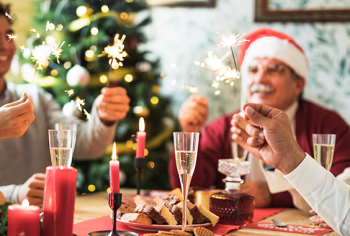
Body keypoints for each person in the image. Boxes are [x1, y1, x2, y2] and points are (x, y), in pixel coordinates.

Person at [168, 28, 350, 209]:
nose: (260, 78)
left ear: (298, 84)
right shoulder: (223, 128)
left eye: (274, 70)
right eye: (253, 70)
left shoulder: (328, 127)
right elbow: (190, 189)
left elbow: (340, 192)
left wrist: (276, 195)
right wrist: (189, 134)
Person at [0, 4, 130, 205]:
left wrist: (103, 117)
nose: (4, 45)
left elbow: (86, 144)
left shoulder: (34, 97)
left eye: (8, 36)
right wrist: (14, 194)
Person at [242, 103, 350, 235]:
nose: (259, 80)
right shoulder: (226, 124)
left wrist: (273, 194)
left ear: (299, 85)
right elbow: (338, 194)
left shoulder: (326, 121)